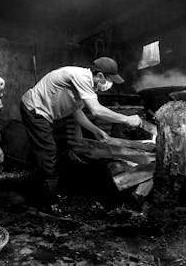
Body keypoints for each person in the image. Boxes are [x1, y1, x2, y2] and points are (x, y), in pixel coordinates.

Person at [20, 57, 142, 199]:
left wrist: (95, 130)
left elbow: (76, 111)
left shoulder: (86, 85)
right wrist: (127, 119)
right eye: (110, 81)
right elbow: (97, 110)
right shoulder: (81, 77)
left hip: (47, 113)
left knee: (53, 150)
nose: (110, 85)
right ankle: (47, 198)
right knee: (48, 150)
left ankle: (47, 184)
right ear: (100, 76)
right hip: (34, 108)